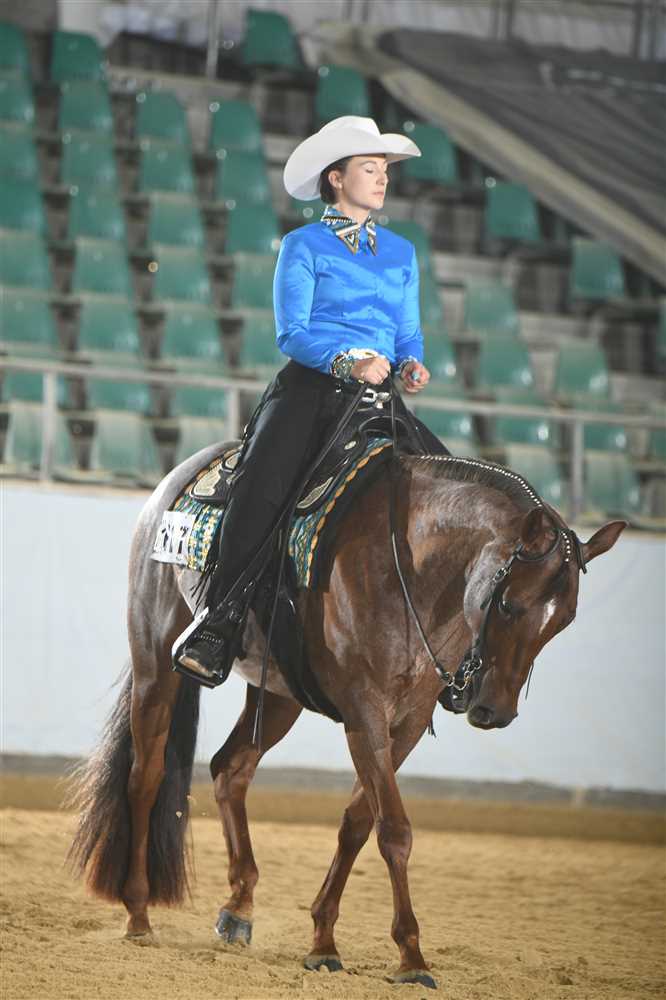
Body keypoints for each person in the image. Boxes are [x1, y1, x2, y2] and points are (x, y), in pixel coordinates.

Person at [172, 115, 446, 688]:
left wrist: (411, 363)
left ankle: (450, 649)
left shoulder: (401, 253)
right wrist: (348, 361)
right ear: (336, 178)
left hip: (379, 400)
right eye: (369, 168)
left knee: (445, 486)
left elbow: (407, 332)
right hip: (310, 391)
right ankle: (219, 621)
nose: (382, 178)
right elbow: (292, 333)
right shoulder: (303, 246)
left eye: (385, 170)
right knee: (261, 488)